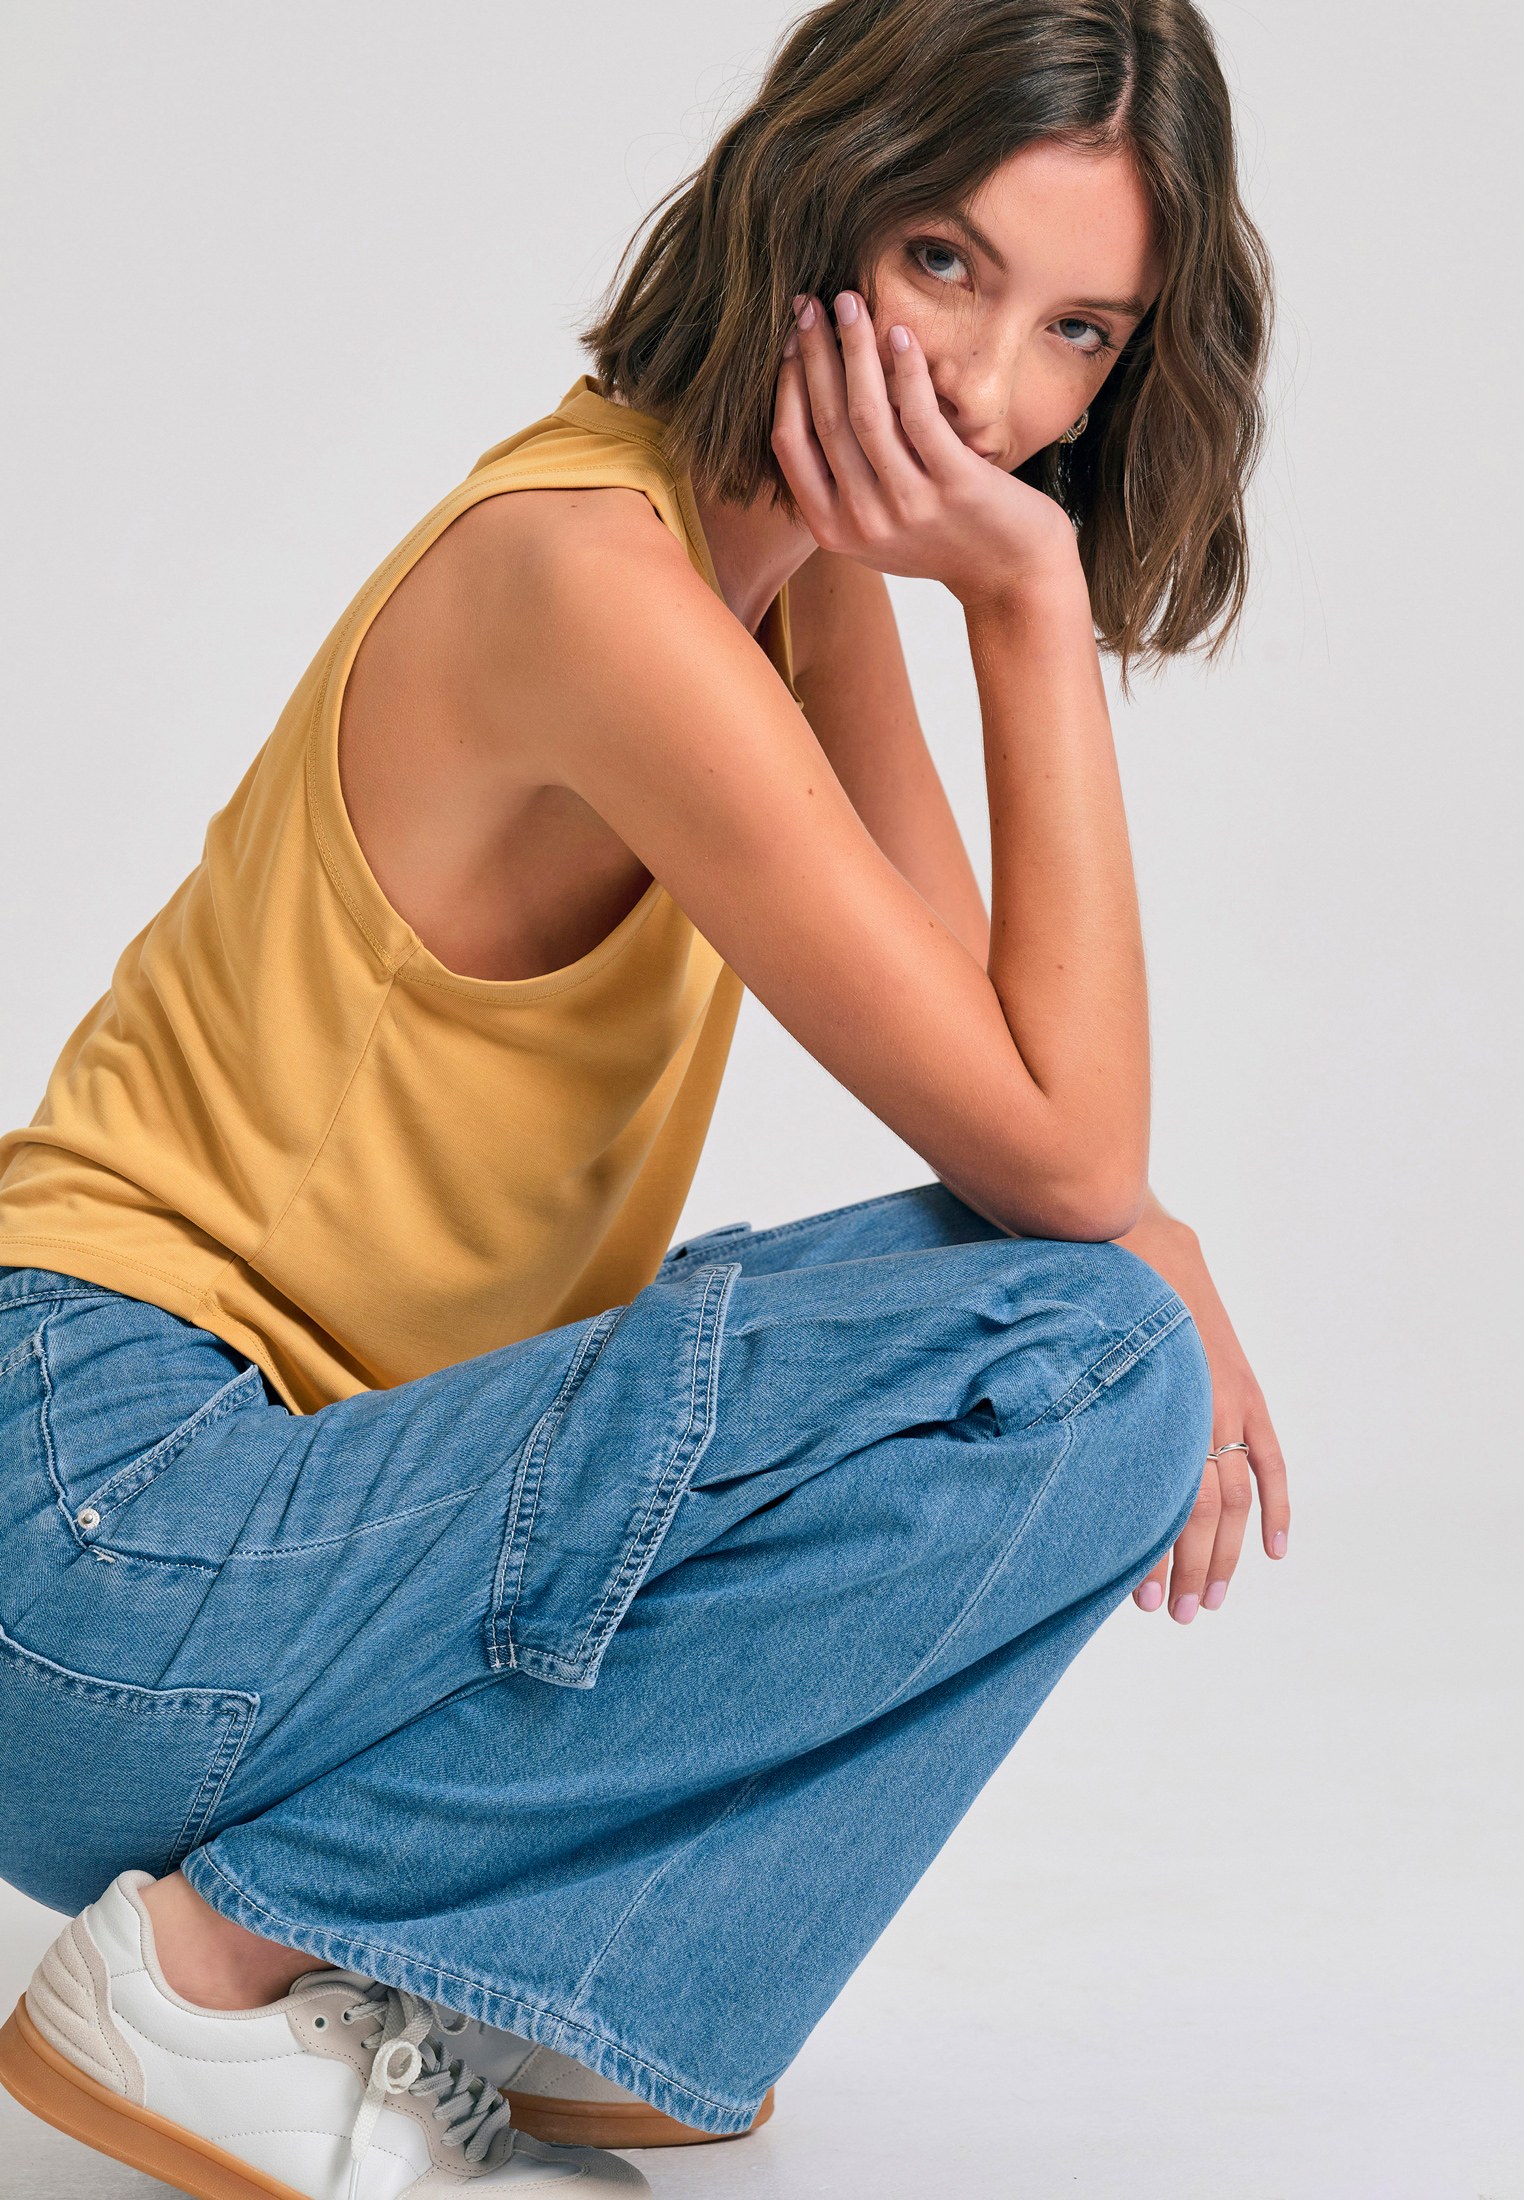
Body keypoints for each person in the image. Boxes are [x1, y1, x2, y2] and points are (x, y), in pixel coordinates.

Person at [0, 0, 1291, 2194]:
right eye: (946, 264)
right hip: (105, 1518)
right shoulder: (588, 580)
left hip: (268, 1542)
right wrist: (1031, 601)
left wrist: (1150, 1254)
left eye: (1081, 330)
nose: (990, 395)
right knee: (1078, 1353)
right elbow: (1062, 1161)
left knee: (1104, 1350)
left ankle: (535, 1975)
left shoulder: (781, 593)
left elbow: (1021, 1103)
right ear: (816, 206)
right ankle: (210, 1967)